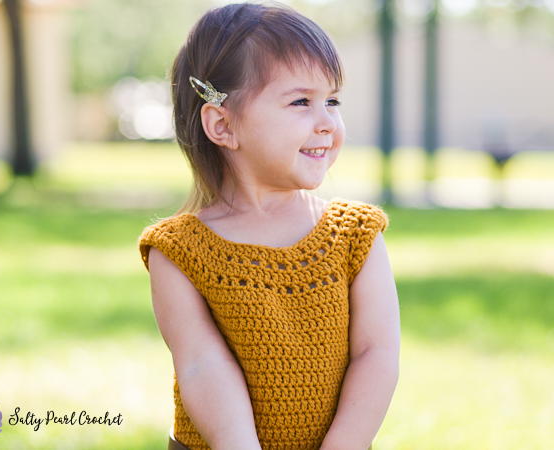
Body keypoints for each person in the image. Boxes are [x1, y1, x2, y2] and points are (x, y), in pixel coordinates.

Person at [137, 2, 400, 449]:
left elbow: (376, 354)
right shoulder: (180, 249)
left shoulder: (353, 236)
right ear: (222, 124)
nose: (327, 123)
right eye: (301, 102)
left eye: (332, 101)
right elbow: (201, 363)